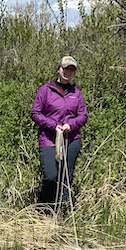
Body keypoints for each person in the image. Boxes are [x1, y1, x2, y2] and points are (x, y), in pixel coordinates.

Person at [31, 55, 88, 214]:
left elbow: (83, 115)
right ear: (59, 69)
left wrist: (71, 125)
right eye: (65, 68)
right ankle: (43, 210)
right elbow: (35, 113)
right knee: (51, 176)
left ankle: (62, 212)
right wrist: (53, 126)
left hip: (71, 139)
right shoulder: (45, 90)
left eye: (71, 70)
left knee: (66, 177)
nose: (68, 72)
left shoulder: (76, 93)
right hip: (49, 139)